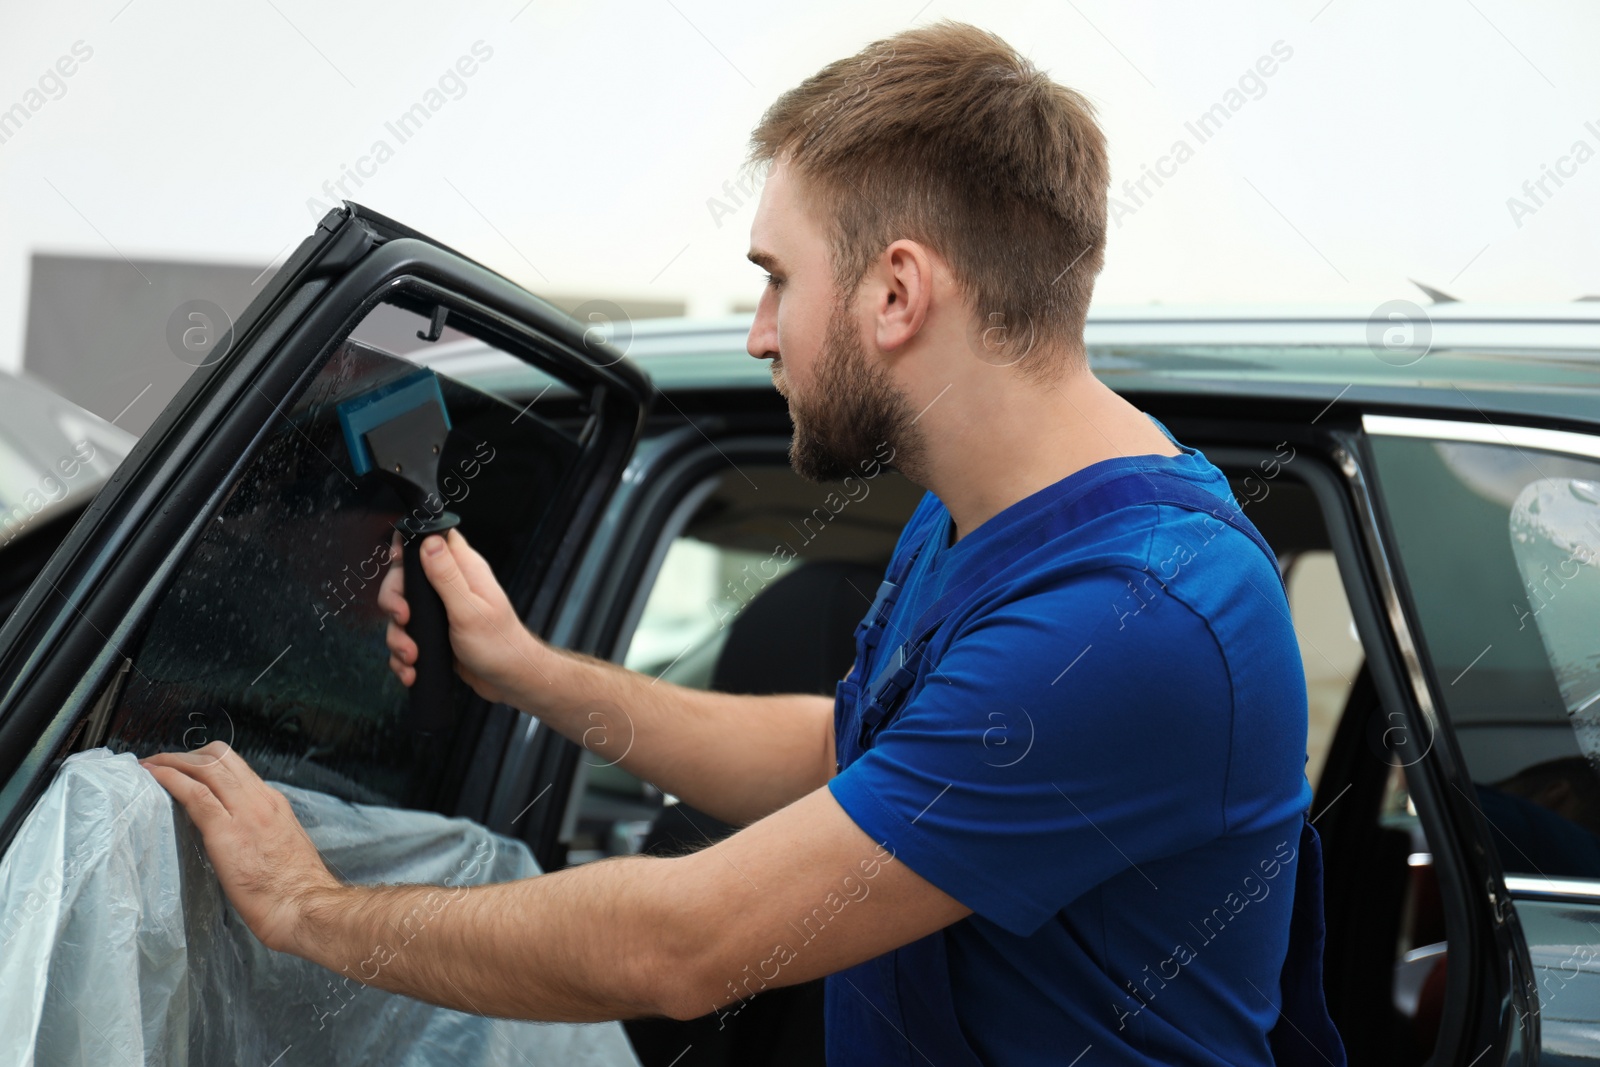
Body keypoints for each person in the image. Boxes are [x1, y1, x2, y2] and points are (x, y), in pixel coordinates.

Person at [142, 20, 1343, 1065]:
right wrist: (532, 672)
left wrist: (309, 904)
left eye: (776, 278)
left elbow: (683, 943)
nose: (762, 333)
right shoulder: (978, 518)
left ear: (894, 293)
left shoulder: (1134, 618)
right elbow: (846, 744)